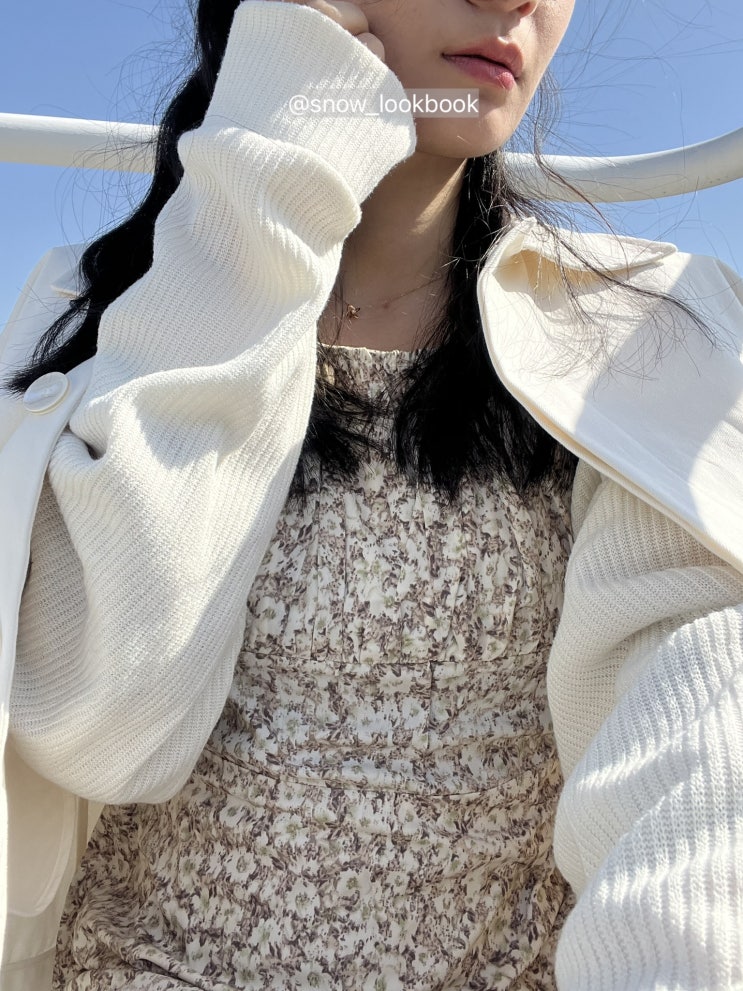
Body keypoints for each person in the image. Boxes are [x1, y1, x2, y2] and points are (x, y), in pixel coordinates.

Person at [1, 0, 742, 988]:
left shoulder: (640, 334)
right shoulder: (83, 315)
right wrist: (272, 163)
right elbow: (101, 725)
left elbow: (691, 784)